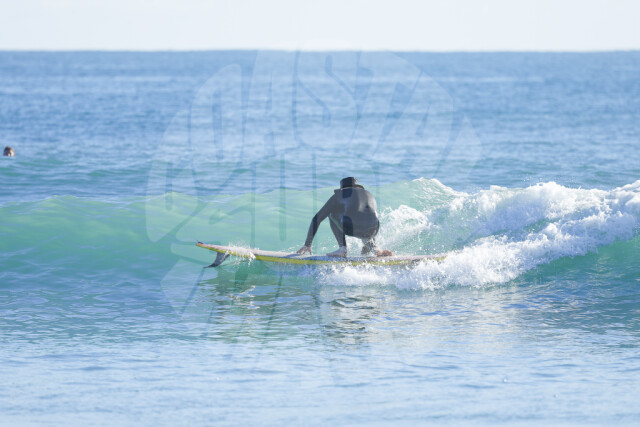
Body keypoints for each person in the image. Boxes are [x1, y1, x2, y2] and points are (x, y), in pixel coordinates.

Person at [297, 177, 393, 257]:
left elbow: (317, 218)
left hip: (353, 227)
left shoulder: (339, 195)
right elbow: (366, 217)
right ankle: (374, 248)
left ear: (342, 188)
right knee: (367, 217)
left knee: (331, 212)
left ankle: (342, 248)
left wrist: (307, 244)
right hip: (374, 228)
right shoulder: (369, 194)